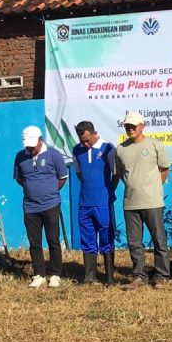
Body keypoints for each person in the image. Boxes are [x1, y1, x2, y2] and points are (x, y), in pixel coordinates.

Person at [115, 111, 172, 288]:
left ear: (142, 126)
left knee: (159, 239)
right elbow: (121, 174)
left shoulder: (155, 144)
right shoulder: (120, 149)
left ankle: (162, 275)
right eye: (127, 126)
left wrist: (153, 188)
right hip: (130, 203)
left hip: (152, 202)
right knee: (134, 242)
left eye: (133, 126)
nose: (130, 129)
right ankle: (138, 275)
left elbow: (165, 168)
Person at [14, 125, 68, 288]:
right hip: (30, 207)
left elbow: (62, 177)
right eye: (28, 146)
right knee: (34, 242)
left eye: (33, 145)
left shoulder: (54, 155)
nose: (30, 149)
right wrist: (32, 190)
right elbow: (19, 179)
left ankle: (55, 274)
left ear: (40, 140)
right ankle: (39, 274)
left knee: (53, 240)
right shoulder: (20, 157)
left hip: (51, 205)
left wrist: (50, 191)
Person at [72, 121, 118, 285]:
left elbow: (116, 173)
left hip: (103, 203)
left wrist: (108, 192)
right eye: (82, 141)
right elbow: (79, 174)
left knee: (106, 236)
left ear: (94, 133)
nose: (85, 144)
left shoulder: (107, 148)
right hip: (85, 203)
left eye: (88, 140)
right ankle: (89, 276)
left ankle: (109, 277)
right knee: (87, 238)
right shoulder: (76, 150)